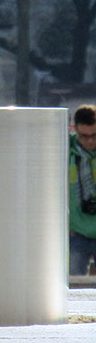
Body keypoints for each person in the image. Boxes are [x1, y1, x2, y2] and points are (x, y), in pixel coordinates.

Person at [69, 104, 96, 275]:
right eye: (84, 136)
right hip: (76, 233)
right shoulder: (64, 152)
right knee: (73, 287)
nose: (90, 142)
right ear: (74, 129)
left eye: (94, 136)